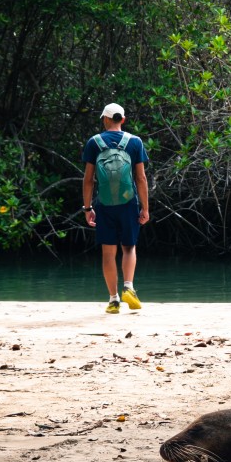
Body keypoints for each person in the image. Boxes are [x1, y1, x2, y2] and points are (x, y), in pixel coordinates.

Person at [81, 103, 150, 314]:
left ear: (105, 119)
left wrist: (87, 207)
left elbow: (88, 180)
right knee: (129, 248)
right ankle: (128, 286)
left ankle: (113, 300)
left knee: (108, 252)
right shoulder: (135, 142)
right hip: (128, 202)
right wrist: (145, 208)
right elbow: (140, 178)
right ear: (123, 119)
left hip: (105, 204)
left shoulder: (94, 142)